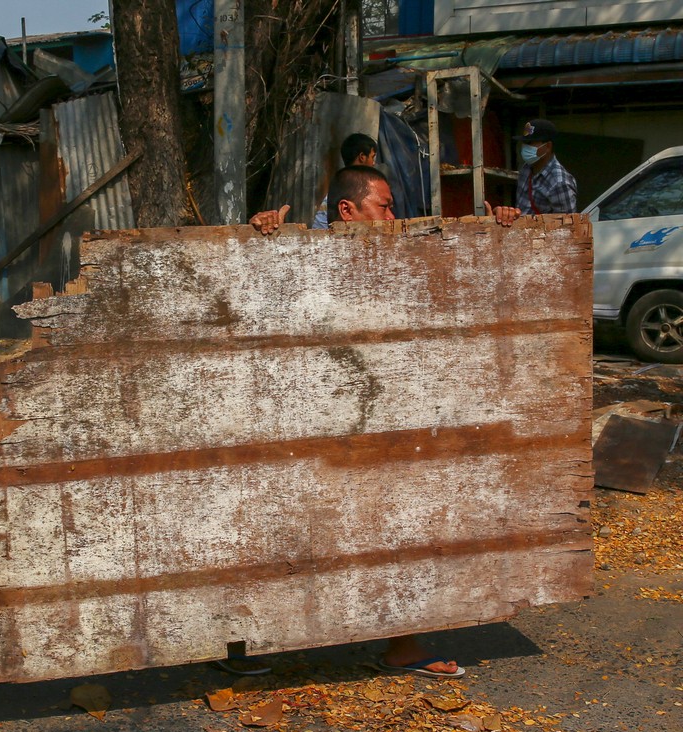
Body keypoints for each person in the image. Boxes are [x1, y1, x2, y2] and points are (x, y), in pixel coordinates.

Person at [247, 166, 524, 679]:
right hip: (312, 417)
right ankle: (247, 643)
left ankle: (401, 644)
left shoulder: (400, 253)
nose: (395, 215)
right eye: (386, 204)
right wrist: (259, 234)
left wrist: (502, 233)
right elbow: (251, 297)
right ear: (348, 210)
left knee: (395, 523)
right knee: (283, 525)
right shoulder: (306, 250)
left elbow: (462, 289)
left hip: (380, 416)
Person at [312, 134, 378, 230]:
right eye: (373, 157)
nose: (373, 163)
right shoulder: (366, 189)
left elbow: (318, 228)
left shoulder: (334, 190)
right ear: (362, 157)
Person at [514, 119, 577, 216]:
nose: (525, 147)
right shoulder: (526, 169)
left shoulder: (560, 183)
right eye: (524, 142)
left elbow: (566, 227)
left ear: (548, 146)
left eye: (530, 143)